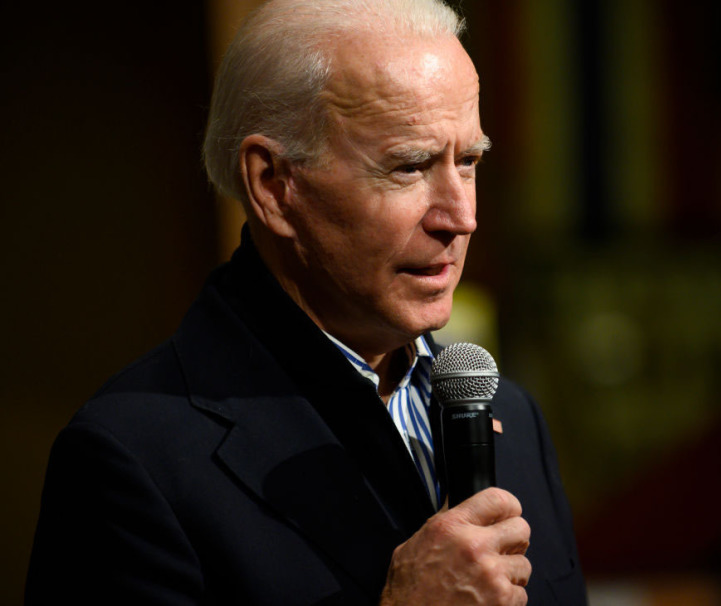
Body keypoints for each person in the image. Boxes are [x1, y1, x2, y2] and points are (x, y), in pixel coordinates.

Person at [25, 1, 587, 604]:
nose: (462, 217)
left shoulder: (513, 415)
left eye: (469, 161)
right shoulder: (131, 459)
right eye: (409, 166)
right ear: (273, 186)